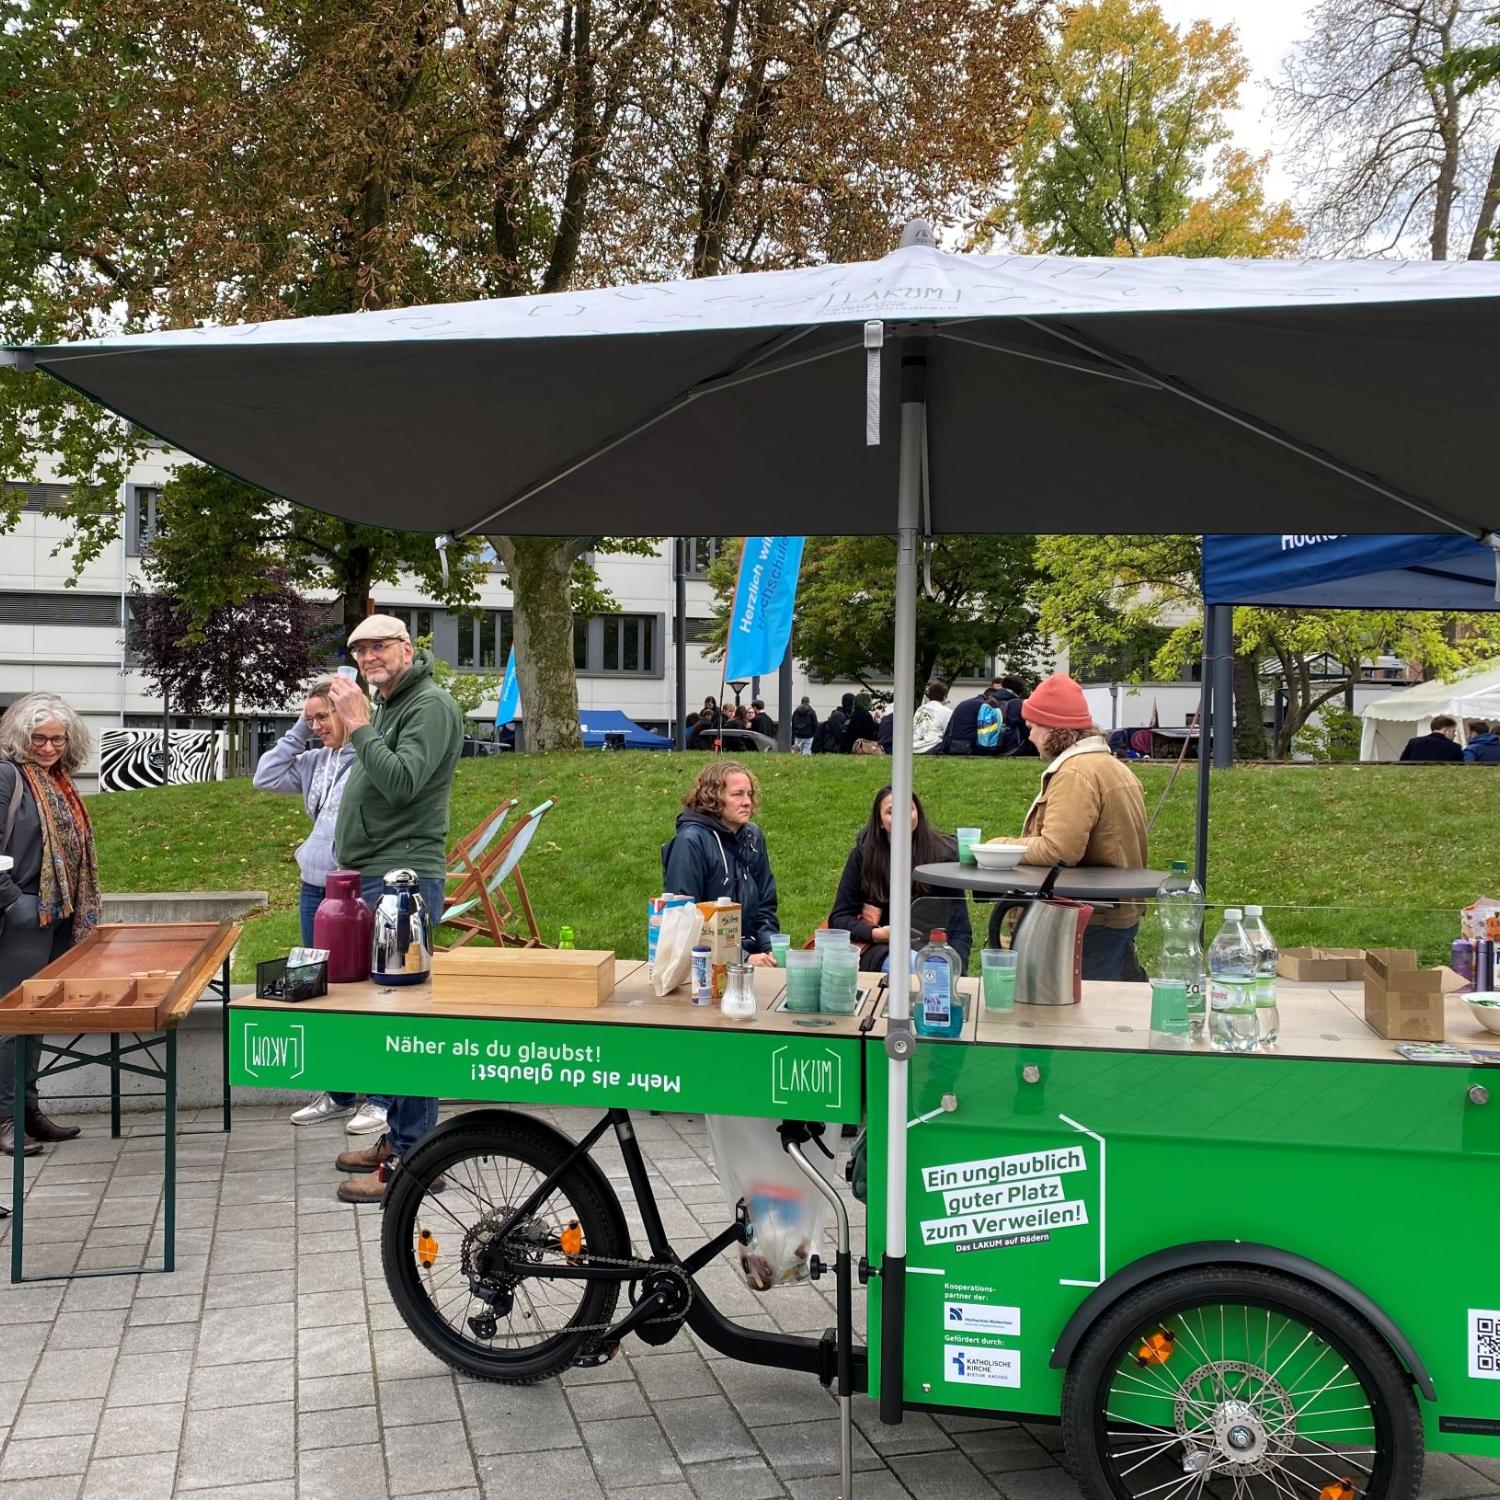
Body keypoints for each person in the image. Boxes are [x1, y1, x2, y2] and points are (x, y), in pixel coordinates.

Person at [326, 616, 465, 1203]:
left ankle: (414, 1159)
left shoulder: (429, 705)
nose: (368, 657)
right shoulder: (390, 704)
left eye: (379, 646)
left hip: (402, 879)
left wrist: (359, 725)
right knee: (391, 1019)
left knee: (408, 1022)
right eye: (359, 649)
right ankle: (403, 1139)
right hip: (379, 873)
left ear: (408, 649)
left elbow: (403, 782)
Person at [253, 681, 390, 1133]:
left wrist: (349, 723)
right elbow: (264, 777)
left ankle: (382, 1098)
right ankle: (339, 1092)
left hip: (359, 886)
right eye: (308, 718)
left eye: (321, 717)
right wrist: (299, 728)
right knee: (319, 984)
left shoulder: (369, 758)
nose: (314, 726)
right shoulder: (314, 761)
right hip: (315, 887)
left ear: (347, 712)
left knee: (370, 988)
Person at [0, 694, 100, 1157]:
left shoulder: (60, 782)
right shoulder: (8, 776)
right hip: (22, 916)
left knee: (37, 1016)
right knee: (11, 1018)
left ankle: (28, 1110)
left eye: (57, 739)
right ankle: (5, 1119)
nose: (48, 747)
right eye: (39, 738)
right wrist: (13, 903)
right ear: (21, 736)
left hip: (59, 913)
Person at [1010, 673, 1149, 982]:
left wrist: (997, 847)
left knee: (1082, 1006)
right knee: (1123, 1001)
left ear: (1051, 729)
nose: (1029, 737)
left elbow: (1059, 850)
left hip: (1090, 917)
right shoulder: (1112, 766)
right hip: (1115, 911)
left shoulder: (1076, 772)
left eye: (1032, 727)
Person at [828, 787, 972, 975]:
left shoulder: (943, 857)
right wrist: (876, 934)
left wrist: (958, 971)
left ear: (917, 813)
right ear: (880, 821)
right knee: (915, 966)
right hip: (881, 949)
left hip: (934, 951)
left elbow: (960, 929)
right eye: (891, 812)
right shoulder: (864, 855)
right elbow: (839, 918)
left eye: (908, 809)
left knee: (935, 969)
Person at [662, 761, 779, 965]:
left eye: (749, 794)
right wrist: (743, 958)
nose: (747, 802)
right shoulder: (690, 842)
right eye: (737, 794)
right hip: (706, 964)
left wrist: (771, 947)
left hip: (754, 956)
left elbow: (766, 906)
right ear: (713, 798)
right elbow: (686, 919)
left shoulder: (753, 837)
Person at [1399, 714, 1465, 763]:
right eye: (1453, 731)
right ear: (1446, 730)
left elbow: (1401, 764)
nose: (1455, 735)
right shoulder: (1455, 747)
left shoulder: (1414, 742)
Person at [912, 681, 951, 755]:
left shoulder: (920, 709)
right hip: (931, 748)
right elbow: (948, 733)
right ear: (944, 696)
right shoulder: (946, 711)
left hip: (914, 747)